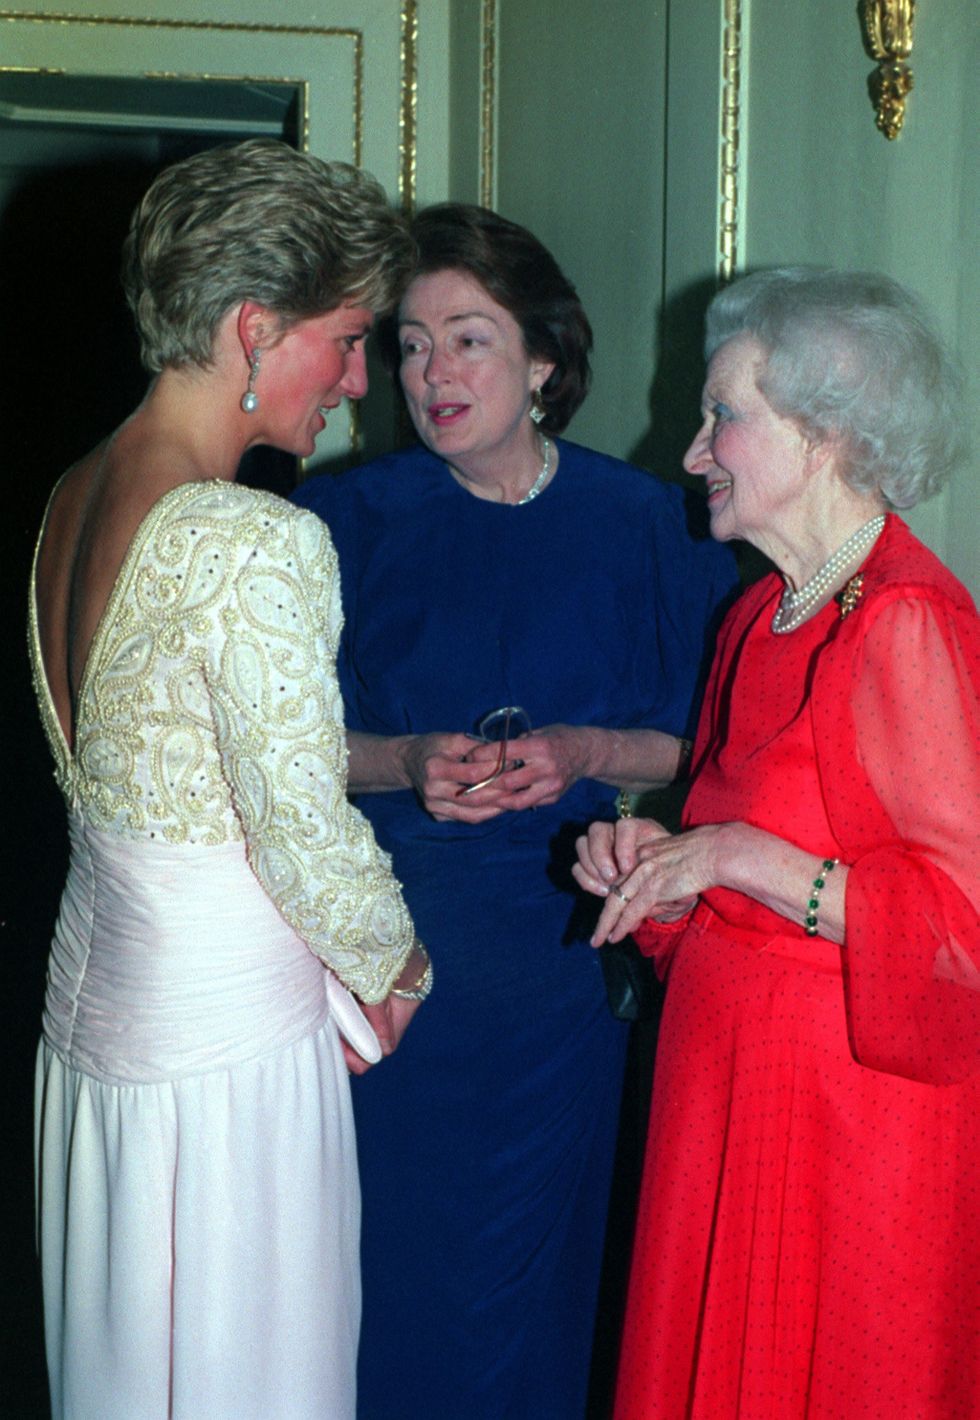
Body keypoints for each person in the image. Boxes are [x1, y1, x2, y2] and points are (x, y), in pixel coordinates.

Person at [291, 202, 739, 1419]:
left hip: (559, 978)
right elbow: (280, 756)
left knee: (543, 1299)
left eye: (469, 338)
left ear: (542, 358)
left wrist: (588, 747)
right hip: (395, 968)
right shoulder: (340, 524)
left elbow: (704, 737)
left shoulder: (644, 521)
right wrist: (403, 760)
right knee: (388, 1281)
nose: (433, 372)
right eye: (412, 342)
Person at [28, 138, 429, 1420]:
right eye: (346, 338)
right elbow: (299, 828)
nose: (359, 381)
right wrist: (400, 966)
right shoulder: (252, 538)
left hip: (95, 1031)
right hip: (225, 1054)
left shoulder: (68, 499)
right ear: (253, 329)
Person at [574, 267, 980, 1418]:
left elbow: (960, 936)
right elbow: (721, 877)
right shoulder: (756, 616)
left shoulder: (902, 621)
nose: (691, 448)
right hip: (726, 1107)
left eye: (721, 416)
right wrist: (658, 876)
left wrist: (743, 858)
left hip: (852, 1137)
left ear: (824, 433)